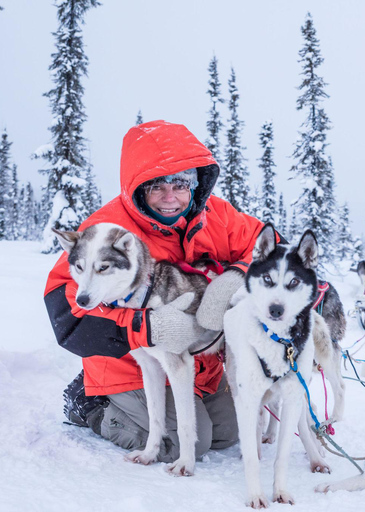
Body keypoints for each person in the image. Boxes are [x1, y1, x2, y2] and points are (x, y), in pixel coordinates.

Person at [45, 120, 266, 462]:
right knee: (179, 445)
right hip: (128, 364)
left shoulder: (216, 215)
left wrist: (234, 280)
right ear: (138, 188)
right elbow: (67, 317)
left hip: (194, 360)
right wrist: (144, 327)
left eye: (180, 183)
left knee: (230, 431)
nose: (170, 197)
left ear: (196, 183)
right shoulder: (104, 233)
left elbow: (270, 248)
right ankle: (91, 405)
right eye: (156, 185)